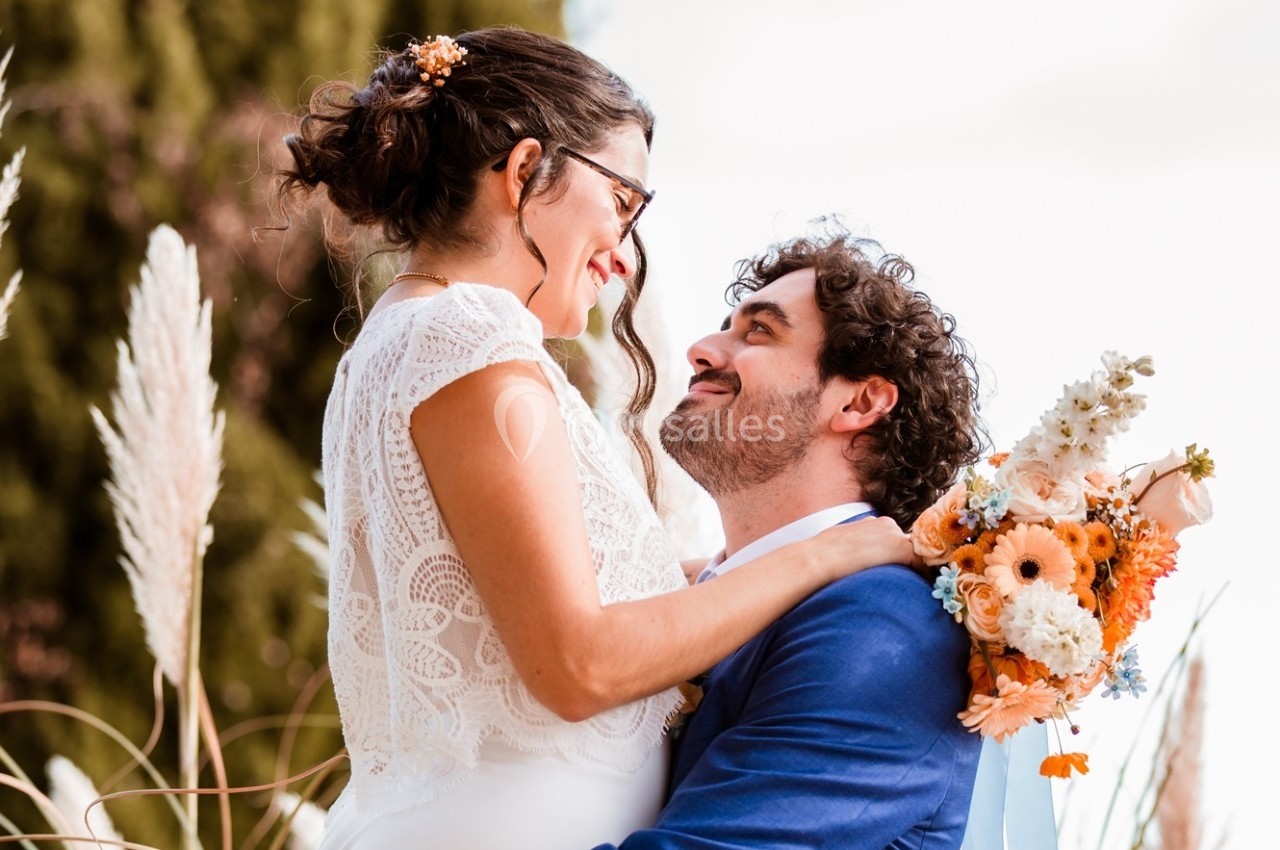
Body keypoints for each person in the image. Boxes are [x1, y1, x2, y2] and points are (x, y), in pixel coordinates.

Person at [275, 28, 912, 850]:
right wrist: (829, 555)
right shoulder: (472, 341)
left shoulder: (415, 339)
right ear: (524, 171)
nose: (625, 252)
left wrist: (744, 567)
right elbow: (579, 665)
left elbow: (545, 598)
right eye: (623, 201)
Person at [596, 230, 988, 849]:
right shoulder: (700, 592)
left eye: (759, 331)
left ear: (860, 400)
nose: (700, 349)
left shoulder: (882, 625)